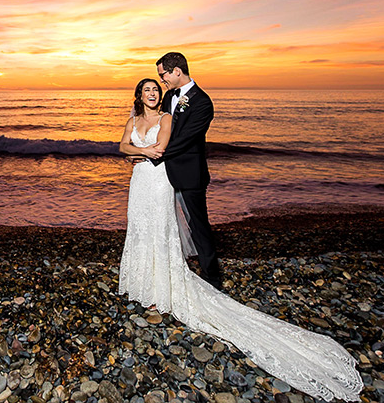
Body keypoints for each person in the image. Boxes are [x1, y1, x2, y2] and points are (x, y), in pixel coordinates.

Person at [118, 75, 363, 402]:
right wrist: (135, 153)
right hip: (139, 183)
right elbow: (121, 147)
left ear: (159, 95)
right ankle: (142, 281)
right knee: (139, 226)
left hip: (160, 182)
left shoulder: (166, 118)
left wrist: (139, 153)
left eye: (155, 89)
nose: (151, 93)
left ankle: (162, 285)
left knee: (160, 231)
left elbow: (161, 149)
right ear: (139, 95)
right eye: (146, 90)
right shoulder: (132, 119)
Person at [154, 51, 221, 288]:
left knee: (197, 224)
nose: (162, 80)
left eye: (163, 75)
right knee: (167, 221)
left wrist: (154, 155)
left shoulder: (202, 102)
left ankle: (212, 276)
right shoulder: (169, 96)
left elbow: (186, 139)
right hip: (165, 172)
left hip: (189, 174)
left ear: (177, 72)